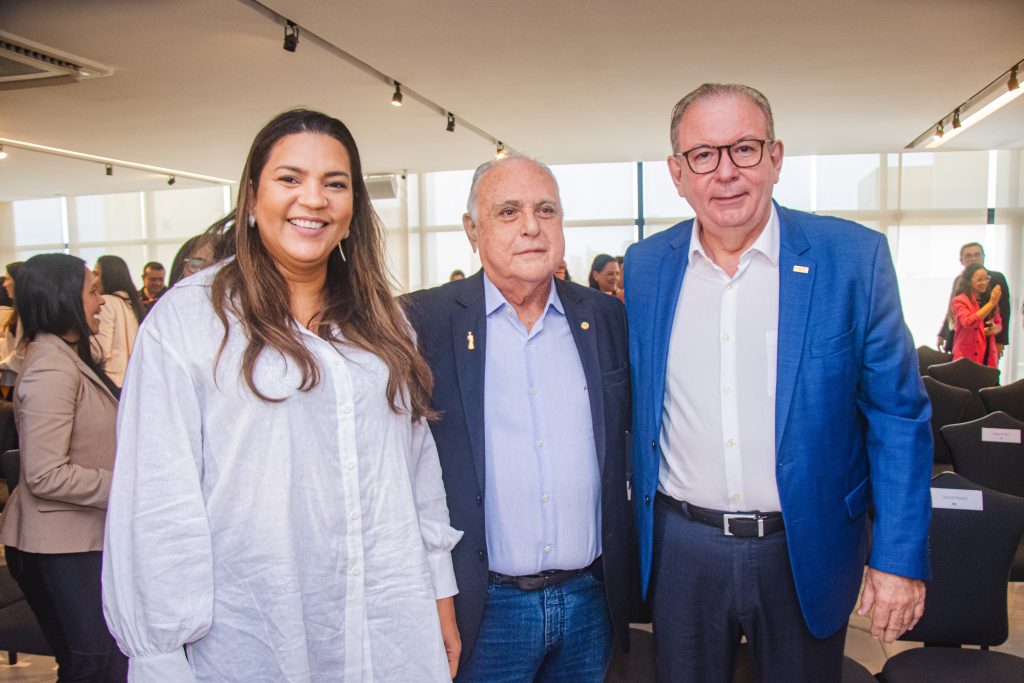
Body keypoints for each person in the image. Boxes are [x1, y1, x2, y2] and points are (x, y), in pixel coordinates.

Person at [102, 109, 462, 681]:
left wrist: (440, 595)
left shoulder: (385, 325)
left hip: (388, 627)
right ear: (251, 197)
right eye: (290, 179)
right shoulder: (191, 322)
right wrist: (158, 653)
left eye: (334, 184)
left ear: (352, 211)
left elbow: (416, 472)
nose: (313, 199)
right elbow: (158, 500)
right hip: (254, 636)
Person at [625, 83, 931, 681]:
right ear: (676, 173)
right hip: (683, 550)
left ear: (775, 157)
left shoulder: (852, 259)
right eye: (703, 155)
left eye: (744, 148)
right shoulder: (644, 266)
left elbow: (898, 416)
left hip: (806, 545)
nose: (726, 173)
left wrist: (897, 556)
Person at [403, 154, 633, 682]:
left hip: (588, 601)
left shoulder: (605, 317)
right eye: (508, 211)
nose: (531, 226)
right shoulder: (420, 323)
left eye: (545, 210)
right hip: (483, 609)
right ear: (472, 229)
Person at [0, 253, 127, 681]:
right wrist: (129, 486)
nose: (102, 301)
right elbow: (44, 474)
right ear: (62, 298)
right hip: (58, 545)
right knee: (92, 661)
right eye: (92, 290)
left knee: (103, 660)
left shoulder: (69, 357)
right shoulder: (52, 368)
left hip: (79, 538)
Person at [937, 242, 1010, 356]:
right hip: (960, 337)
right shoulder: (959, 280)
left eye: (977, 254)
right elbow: (952, 311)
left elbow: (1004, 311)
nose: (973, 258)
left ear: (984, 257)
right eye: (968, 256)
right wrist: (943, 334)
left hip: (986, 337)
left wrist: (1001, 341)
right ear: (961, 260)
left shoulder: (996, 278)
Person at [92, 255, 143, 388]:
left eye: (96, 274)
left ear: (109, 276)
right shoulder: (133, 303)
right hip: (133, 380)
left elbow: (100, 350)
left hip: (113, 380)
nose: (93, 280)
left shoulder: (107, 301)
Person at [950, 263, 1002, 368]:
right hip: (967, 356)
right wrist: (991, 304)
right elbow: (968, 322)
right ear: (969, 281)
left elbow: (998, 323)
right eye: (979, 280)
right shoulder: (960, 300)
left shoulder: (989, 298)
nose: (984, 282)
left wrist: (996, 328)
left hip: (988, 354)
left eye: (986, 278)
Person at [0, 262, 25, 400]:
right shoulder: (18, 312)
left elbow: (21, 354)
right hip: (17, 381)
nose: (4, 284)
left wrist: (2, 364)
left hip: (22, 382)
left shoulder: (26, 314)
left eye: (8, 278)